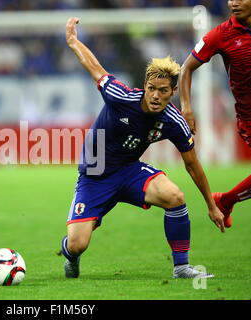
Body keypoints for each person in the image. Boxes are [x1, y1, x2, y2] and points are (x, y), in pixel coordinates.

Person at [61, 17, 225, 280]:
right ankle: (70, 254)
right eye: (151, 89)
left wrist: (211, 205)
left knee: (175, 197)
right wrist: (73, 42)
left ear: (172, 91)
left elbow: (192, 164)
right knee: (78, 244)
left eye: (162, 90)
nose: (155, 96)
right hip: (95, 174)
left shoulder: (174, 121)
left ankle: (181, 267)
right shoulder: (121, 97)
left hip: (128, 172)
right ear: (145, 86)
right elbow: (94, 67)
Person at [179, 0, 251, 228]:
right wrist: (186, 107)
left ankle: (225, 201)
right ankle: (225, 201)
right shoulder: (221, 35)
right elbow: (186, 68)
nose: (234, 3)